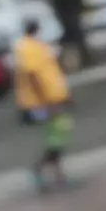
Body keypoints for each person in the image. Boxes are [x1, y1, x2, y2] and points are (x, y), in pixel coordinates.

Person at [13, 19, 73, 190]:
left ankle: (57, 174)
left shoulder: (38, 46)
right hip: (41, 103)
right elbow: (32, 75)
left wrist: (64, 96)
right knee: (57, 136)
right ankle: (41, 170)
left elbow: (50, 73)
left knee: (59, 134)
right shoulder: (26, 47)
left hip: (52, 99)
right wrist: (46, 101)